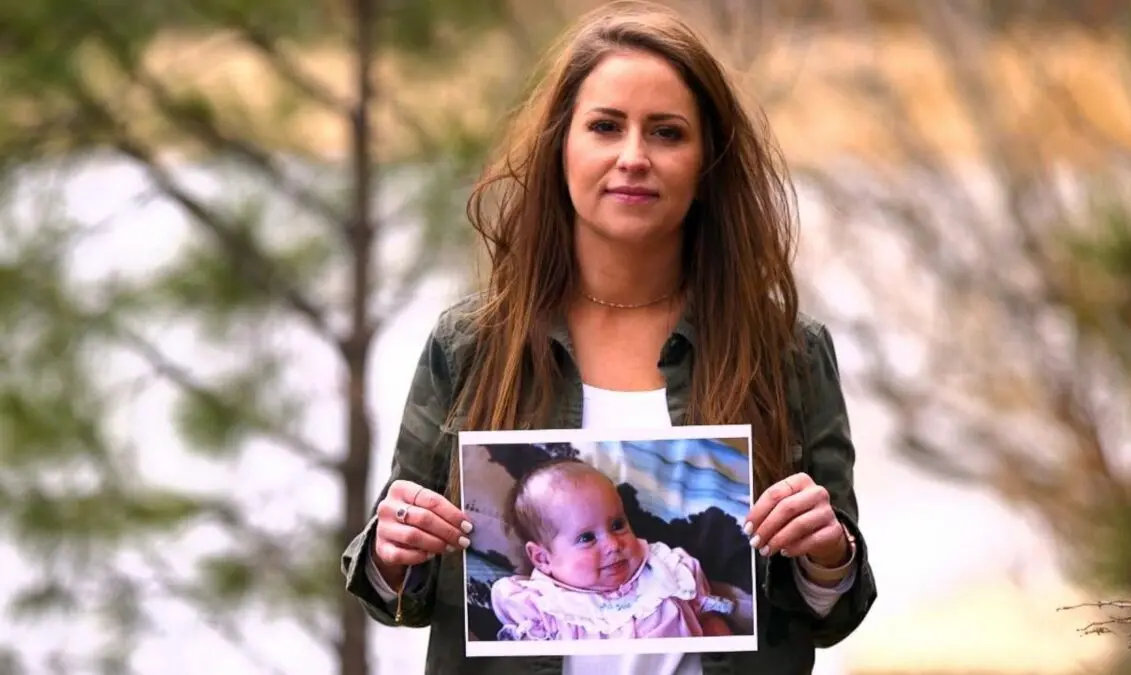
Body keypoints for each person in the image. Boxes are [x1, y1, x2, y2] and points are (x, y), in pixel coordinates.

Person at [340, 1, 877, 673]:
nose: (634, 157)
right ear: (561, 148)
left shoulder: (787, 351)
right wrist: (395, 552)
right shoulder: (472, 345)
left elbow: (837, 609)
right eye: (604, 126)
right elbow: (400, 597)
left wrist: (828, 555)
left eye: (667, 133)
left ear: (707, 162)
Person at [489, 458, 736, 641]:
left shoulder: (667, 570)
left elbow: (708, 621)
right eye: (587, 538)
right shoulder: (542, 608)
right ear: (543, 559)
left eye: (617, 525)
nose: (613, 545)